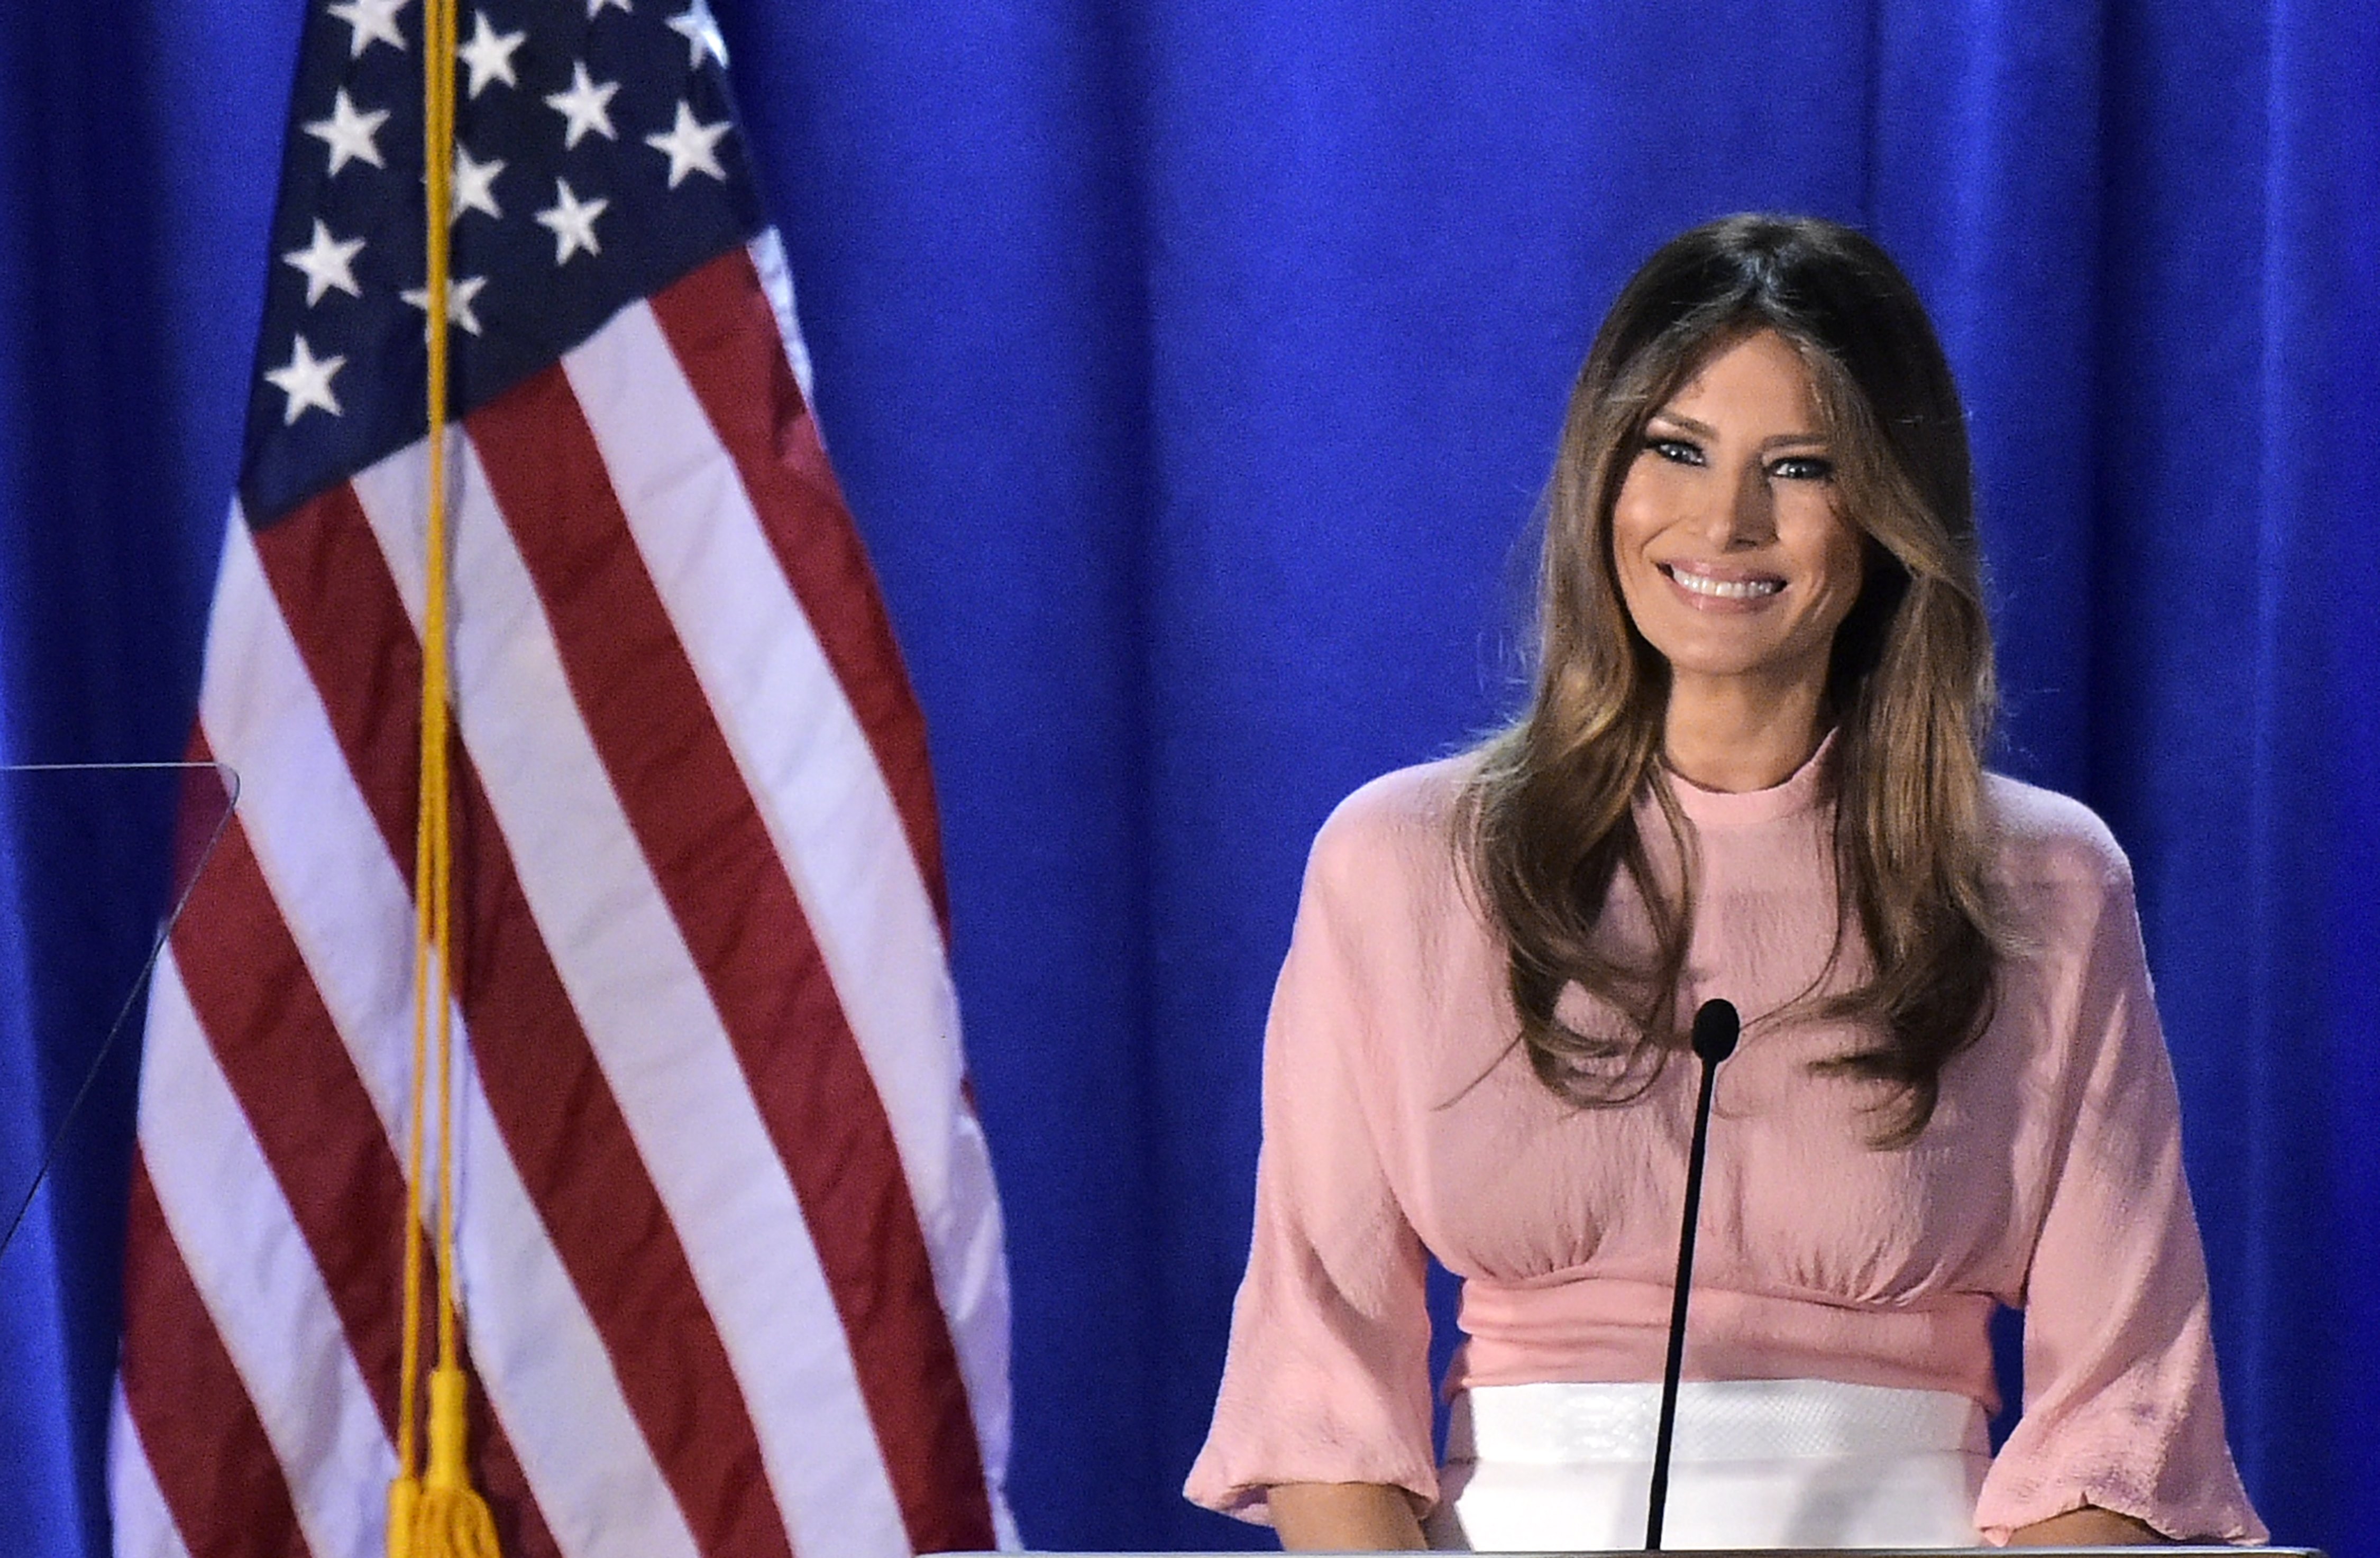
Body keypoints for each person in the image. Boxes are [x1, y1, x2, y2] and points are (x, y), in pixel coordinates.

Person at [1182, 214, 2265, 1550]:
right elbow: (1320, 1385)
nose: (1726, 521)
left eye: (1798, 467)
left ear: (1884, 517)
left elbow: (2123, 1412)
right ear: (1604, 477)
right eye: (1676, 449)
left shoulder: (2043, 884)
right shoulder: (1400, 864)